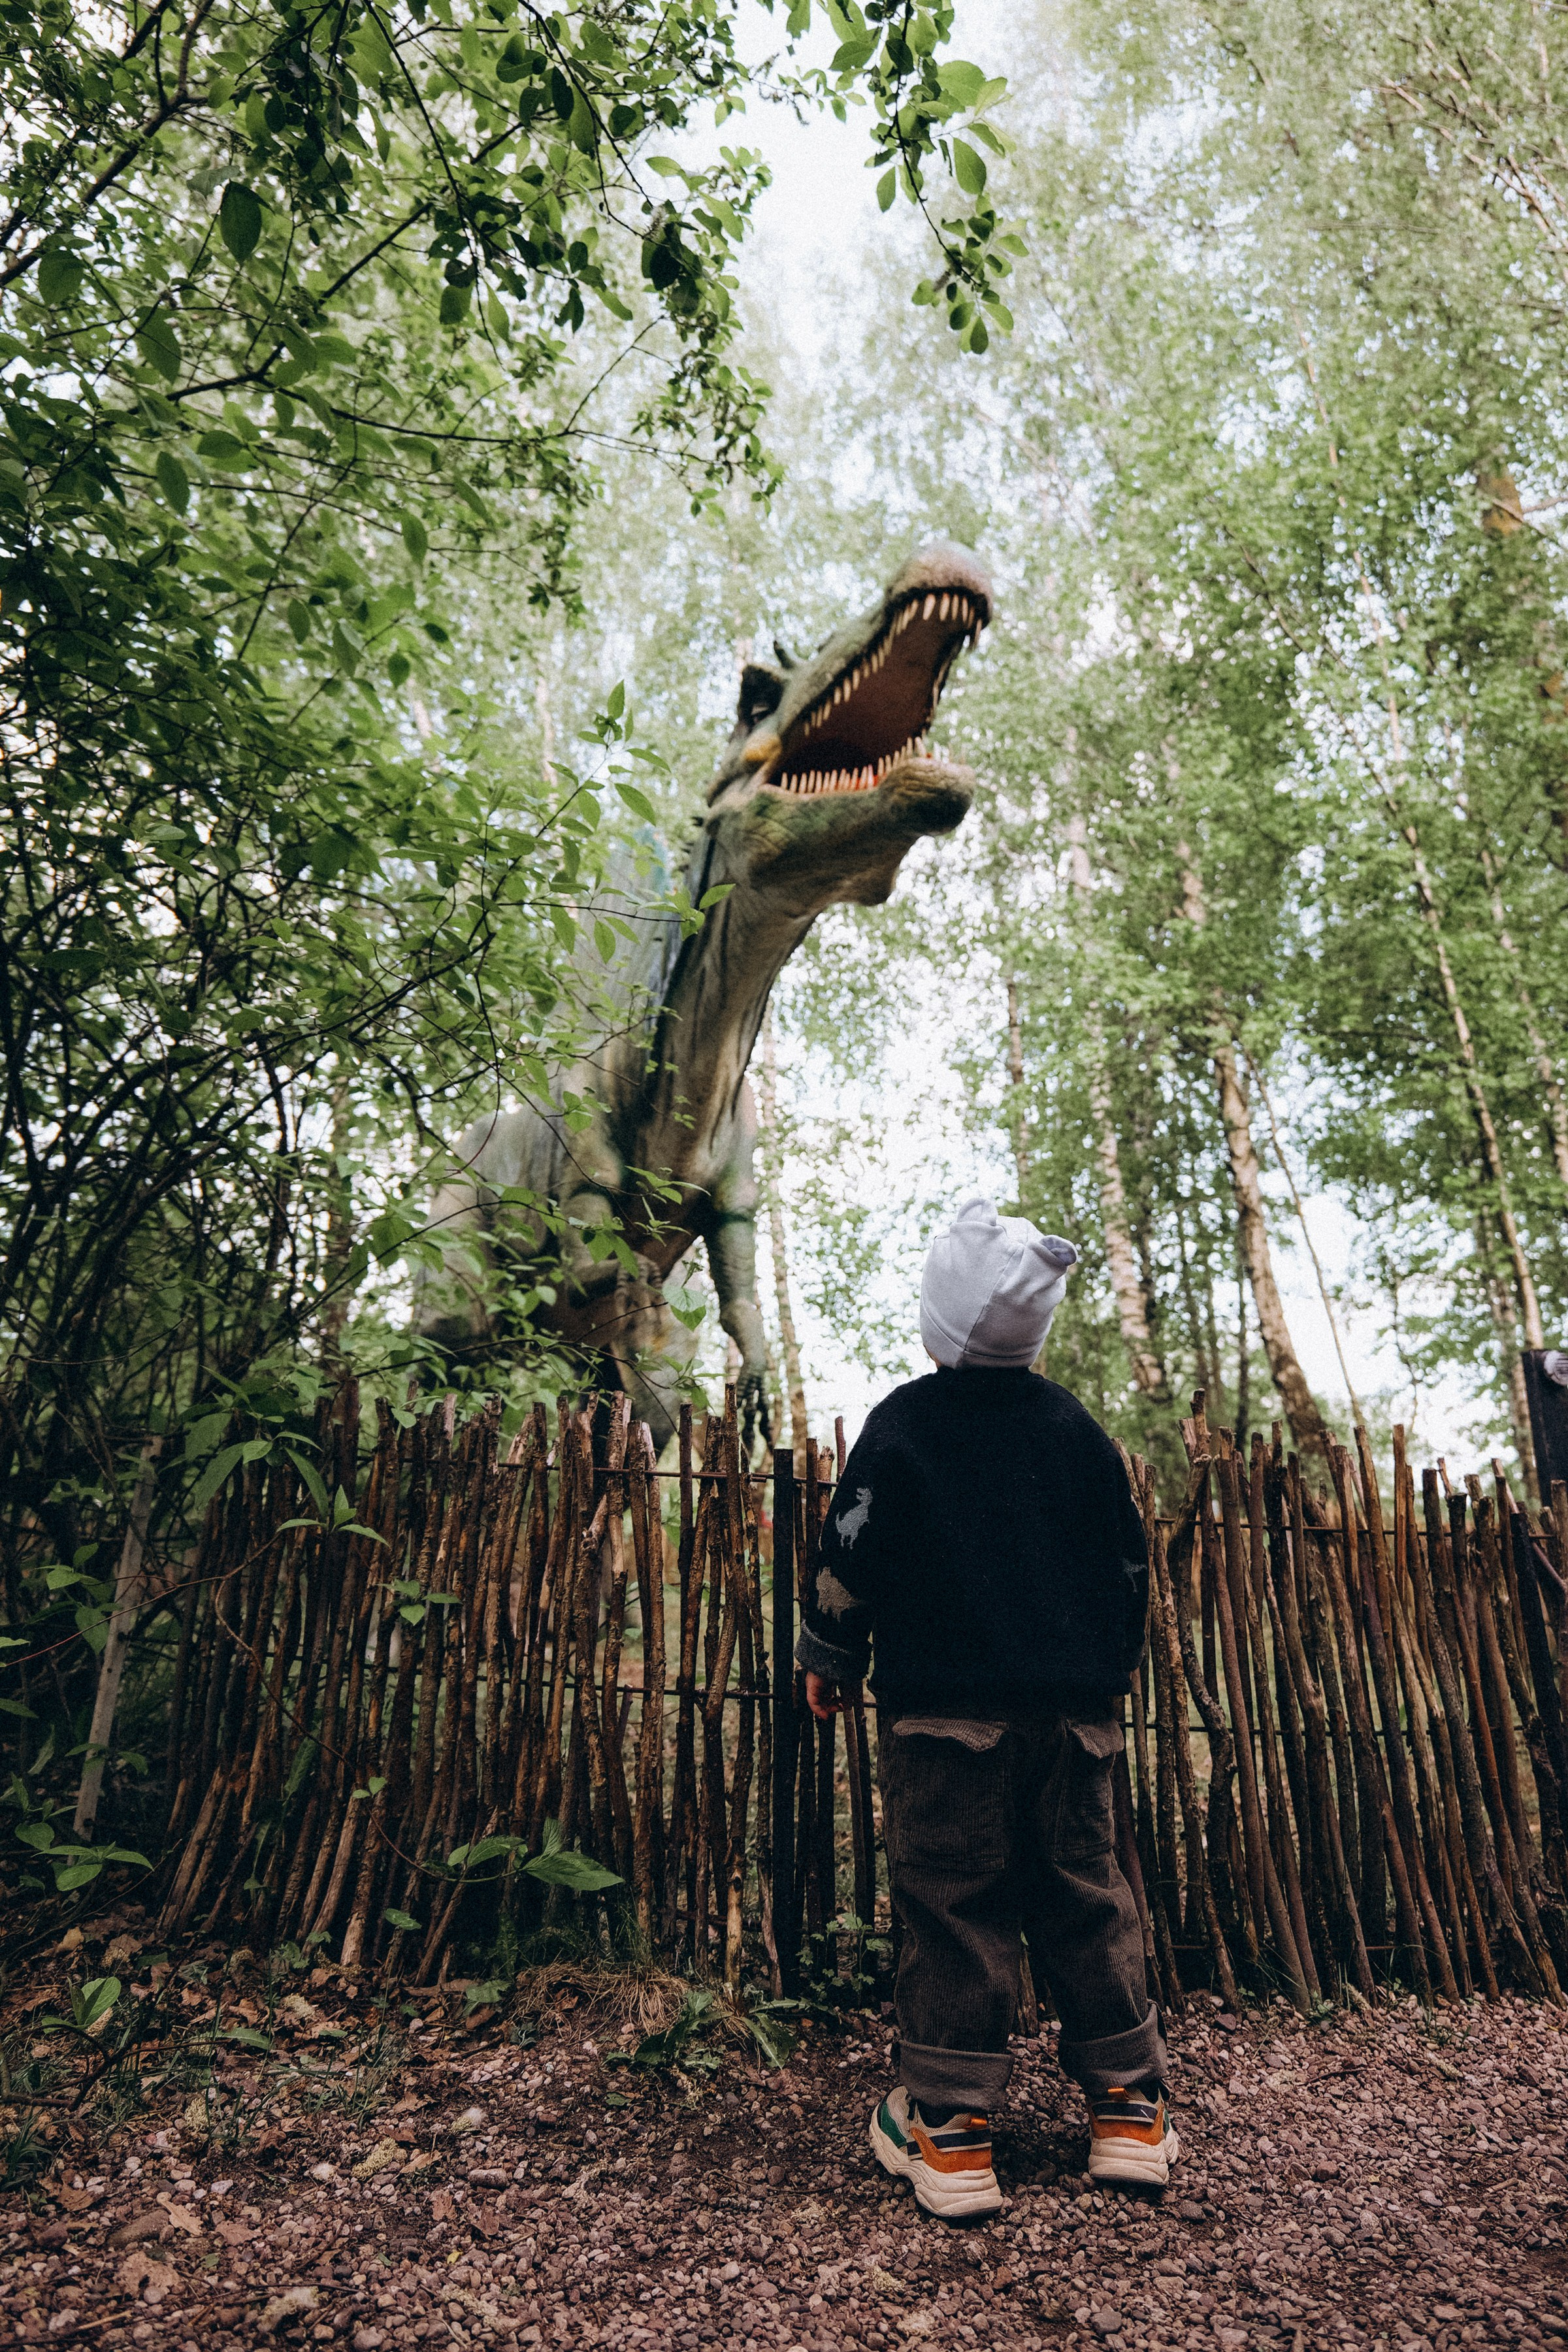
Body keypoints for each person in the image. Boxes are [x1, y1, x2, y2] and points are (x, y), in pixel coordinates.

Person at [796, 1192, 1175, 2222]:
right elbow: (1129, 1565)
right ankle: (1129, 2110)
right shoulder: (1077, 1433)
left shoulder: (903, 1427)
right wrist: (1109, 1676)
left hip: (942, 1723)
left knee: (951, 1904)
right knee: (1085, 1894)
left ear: (940, 1317)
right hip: (1074, 1720)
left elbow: (851, 1550)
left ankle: (953, 2131)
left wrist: (829, 1653)